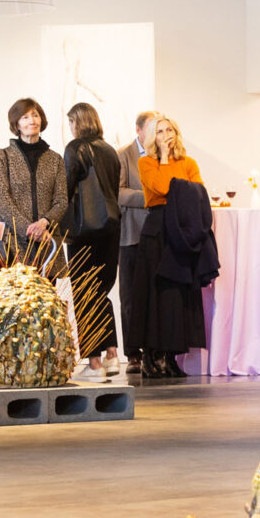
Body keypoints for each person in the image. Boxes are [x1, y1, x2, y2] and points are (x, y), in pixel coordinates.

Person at [135, 114, 206, 377]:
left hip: (181, 232)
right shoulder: (146, 162)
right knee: (156, 295)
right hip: (158, 230)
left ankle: (170, 356)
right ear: (153, 137)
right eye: (160, 131)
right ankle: (150, 356)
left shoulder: (189, 163)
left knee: (177, 296)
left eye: (170, 130)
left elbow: (198, 193)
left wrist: (182, 189)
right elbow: (164, 188)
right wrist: (164, 158)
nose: (166, 135)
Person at [60, 103, 124, 371]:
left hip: (84, 230)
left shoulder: (75, 149)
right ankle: (111, 353)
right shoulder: (110, 151)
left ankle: (94, 361)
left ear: (77, 122)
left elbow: (65, 189)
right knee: (101, 291)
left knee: (85, 291)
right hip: (111, 229)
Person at [0, 97, 69, 266]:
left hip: (47, 243)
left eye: (35, 115)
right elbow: (3, 201)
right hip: (14, 244)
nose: (32, 121)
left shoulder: (55, 159)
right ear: (16, 124)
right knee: (15, 292)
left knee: (46, 291)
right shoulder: (2, 157)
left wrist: (44, 223)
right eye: (25, 117)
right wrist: (30, 230)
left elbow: (61, 201)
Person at [117, 108, 157, 375]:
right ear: (139, 130)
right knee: (130, 296)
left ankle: (154, 352)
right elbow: (117, 193)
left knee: (154, 297)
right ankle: (132, 354)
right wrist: (150, 197)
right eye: (153, 129)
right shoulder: (123, 155)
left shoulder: (162, 155)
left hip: (157, 235)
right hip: (130, 235)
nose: (158, 134)